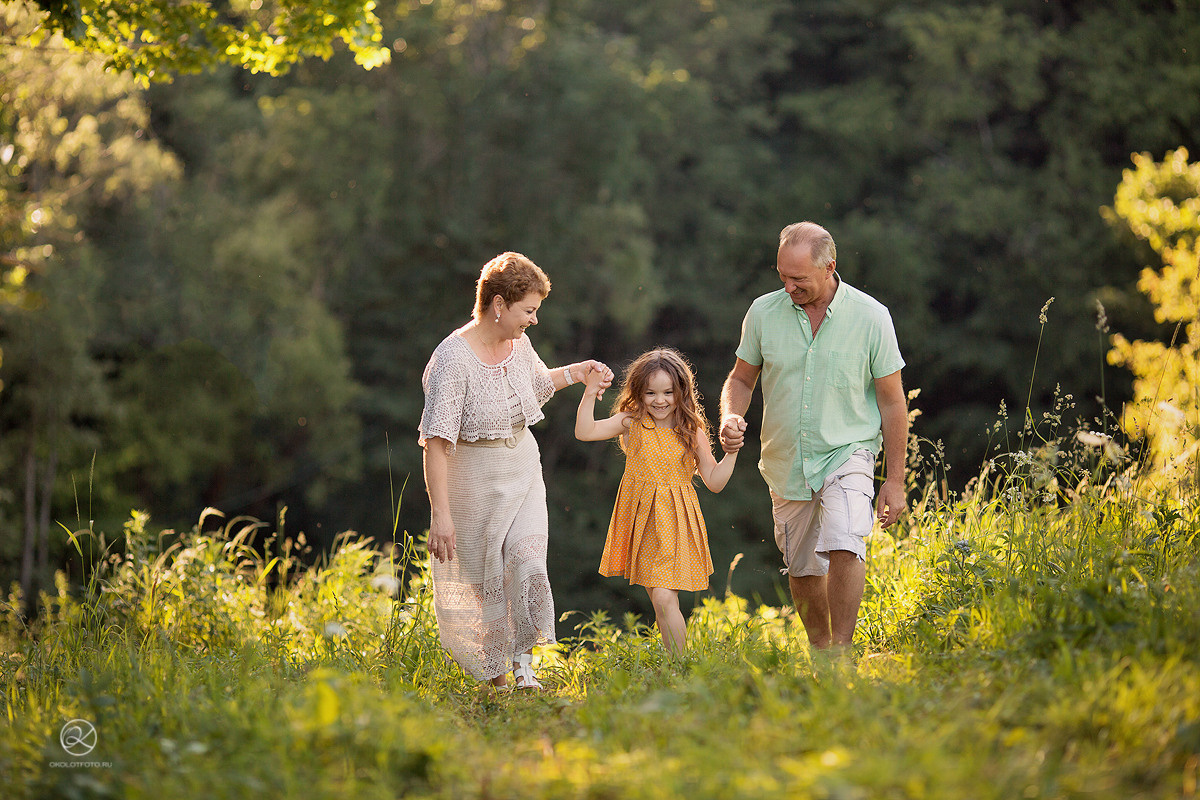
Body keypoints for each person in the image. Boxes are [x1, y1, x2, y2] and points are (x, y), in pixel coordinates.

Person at [419, 252, 613, 689]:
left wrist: (577, 372)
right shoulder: (453, 360)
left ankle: (524, 667)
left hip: (522, 468)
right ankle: (496, 683)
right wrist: (441, 515)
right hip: (473, 482)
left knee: (527, 563)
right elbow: (435, 443)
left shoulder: (519, 343)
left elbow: (537, 384)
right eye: (529, 310)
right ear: (499, 305)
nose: (535, 321)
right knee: (484, 580)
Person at [718, 221, 908, 652]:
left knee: (844, 539)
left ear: (829, 267)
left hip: (848, 450)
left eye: (798, 279)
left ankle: (842, 651)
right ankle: (821, 654)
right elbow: (742, 379)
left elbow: (893, 402)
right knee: (803, 569)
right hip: (786, 460)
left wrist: (894, 480)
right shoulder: (763, 312)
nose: (788, 287)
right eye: (782, 276)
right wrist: (731, 415)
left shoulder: (871, 317)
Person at [575, 347, 738, 654]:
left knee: (663, 598)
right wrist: (590, 392)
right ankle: (676, 667)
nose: (659, 400)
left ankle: (681, 667)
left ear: (682, 392)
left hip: (675, 523)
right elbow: (585, 431)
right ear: (638, 392)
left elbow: (714, 482)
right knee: (660, 601)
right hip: (641, 521)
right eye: (650, 393)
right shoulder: (632, 422)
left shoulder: (691, 431)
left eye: (668, 392)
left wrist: (732, 452)